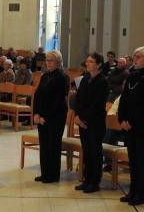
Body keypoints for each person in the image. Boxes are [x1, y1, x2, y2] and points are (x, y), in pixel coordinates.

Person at [117, 46, 144, 206]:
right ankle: (132, 190)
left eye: (138, 57)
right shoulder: (131, 75)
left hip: (143, 125)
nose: (134, 59)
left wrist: (132, 122)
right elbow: (124, 99)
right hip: (129, 125)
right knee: (132, 160)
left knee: (141, 160)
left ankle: (141, 193)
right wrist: (122, 119)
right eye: (134, 56)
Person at [73, 52, 108, 193]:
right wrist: (77, 116)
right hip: (82, 121)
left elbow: (97, 104)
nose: (87, 63)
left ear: (99, 64)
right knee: (87, 152)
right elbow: (78, 100)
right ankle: (86, 180)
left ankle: (95, 182)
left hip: (95, 122)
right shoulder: (85, 79)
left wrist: (83, 118)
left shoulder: (102, 81)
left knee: (95, 152)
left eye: (91, 61)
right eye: (87, 61)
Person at [32, 50, 69, 184]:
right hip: (42, 116)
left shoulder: (62, 77)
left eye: (51, 60)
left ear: (58, 62)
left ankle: (53, 175)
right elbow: (37, 95)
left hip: (55, 117)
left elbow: (58, 101)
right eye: (47, 60)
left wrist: (45, 117)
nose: (48, 63)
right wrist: (36, 113)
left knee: (53, 145)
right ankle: (45, 173)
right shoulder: (45, 76)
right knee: (44, 145)